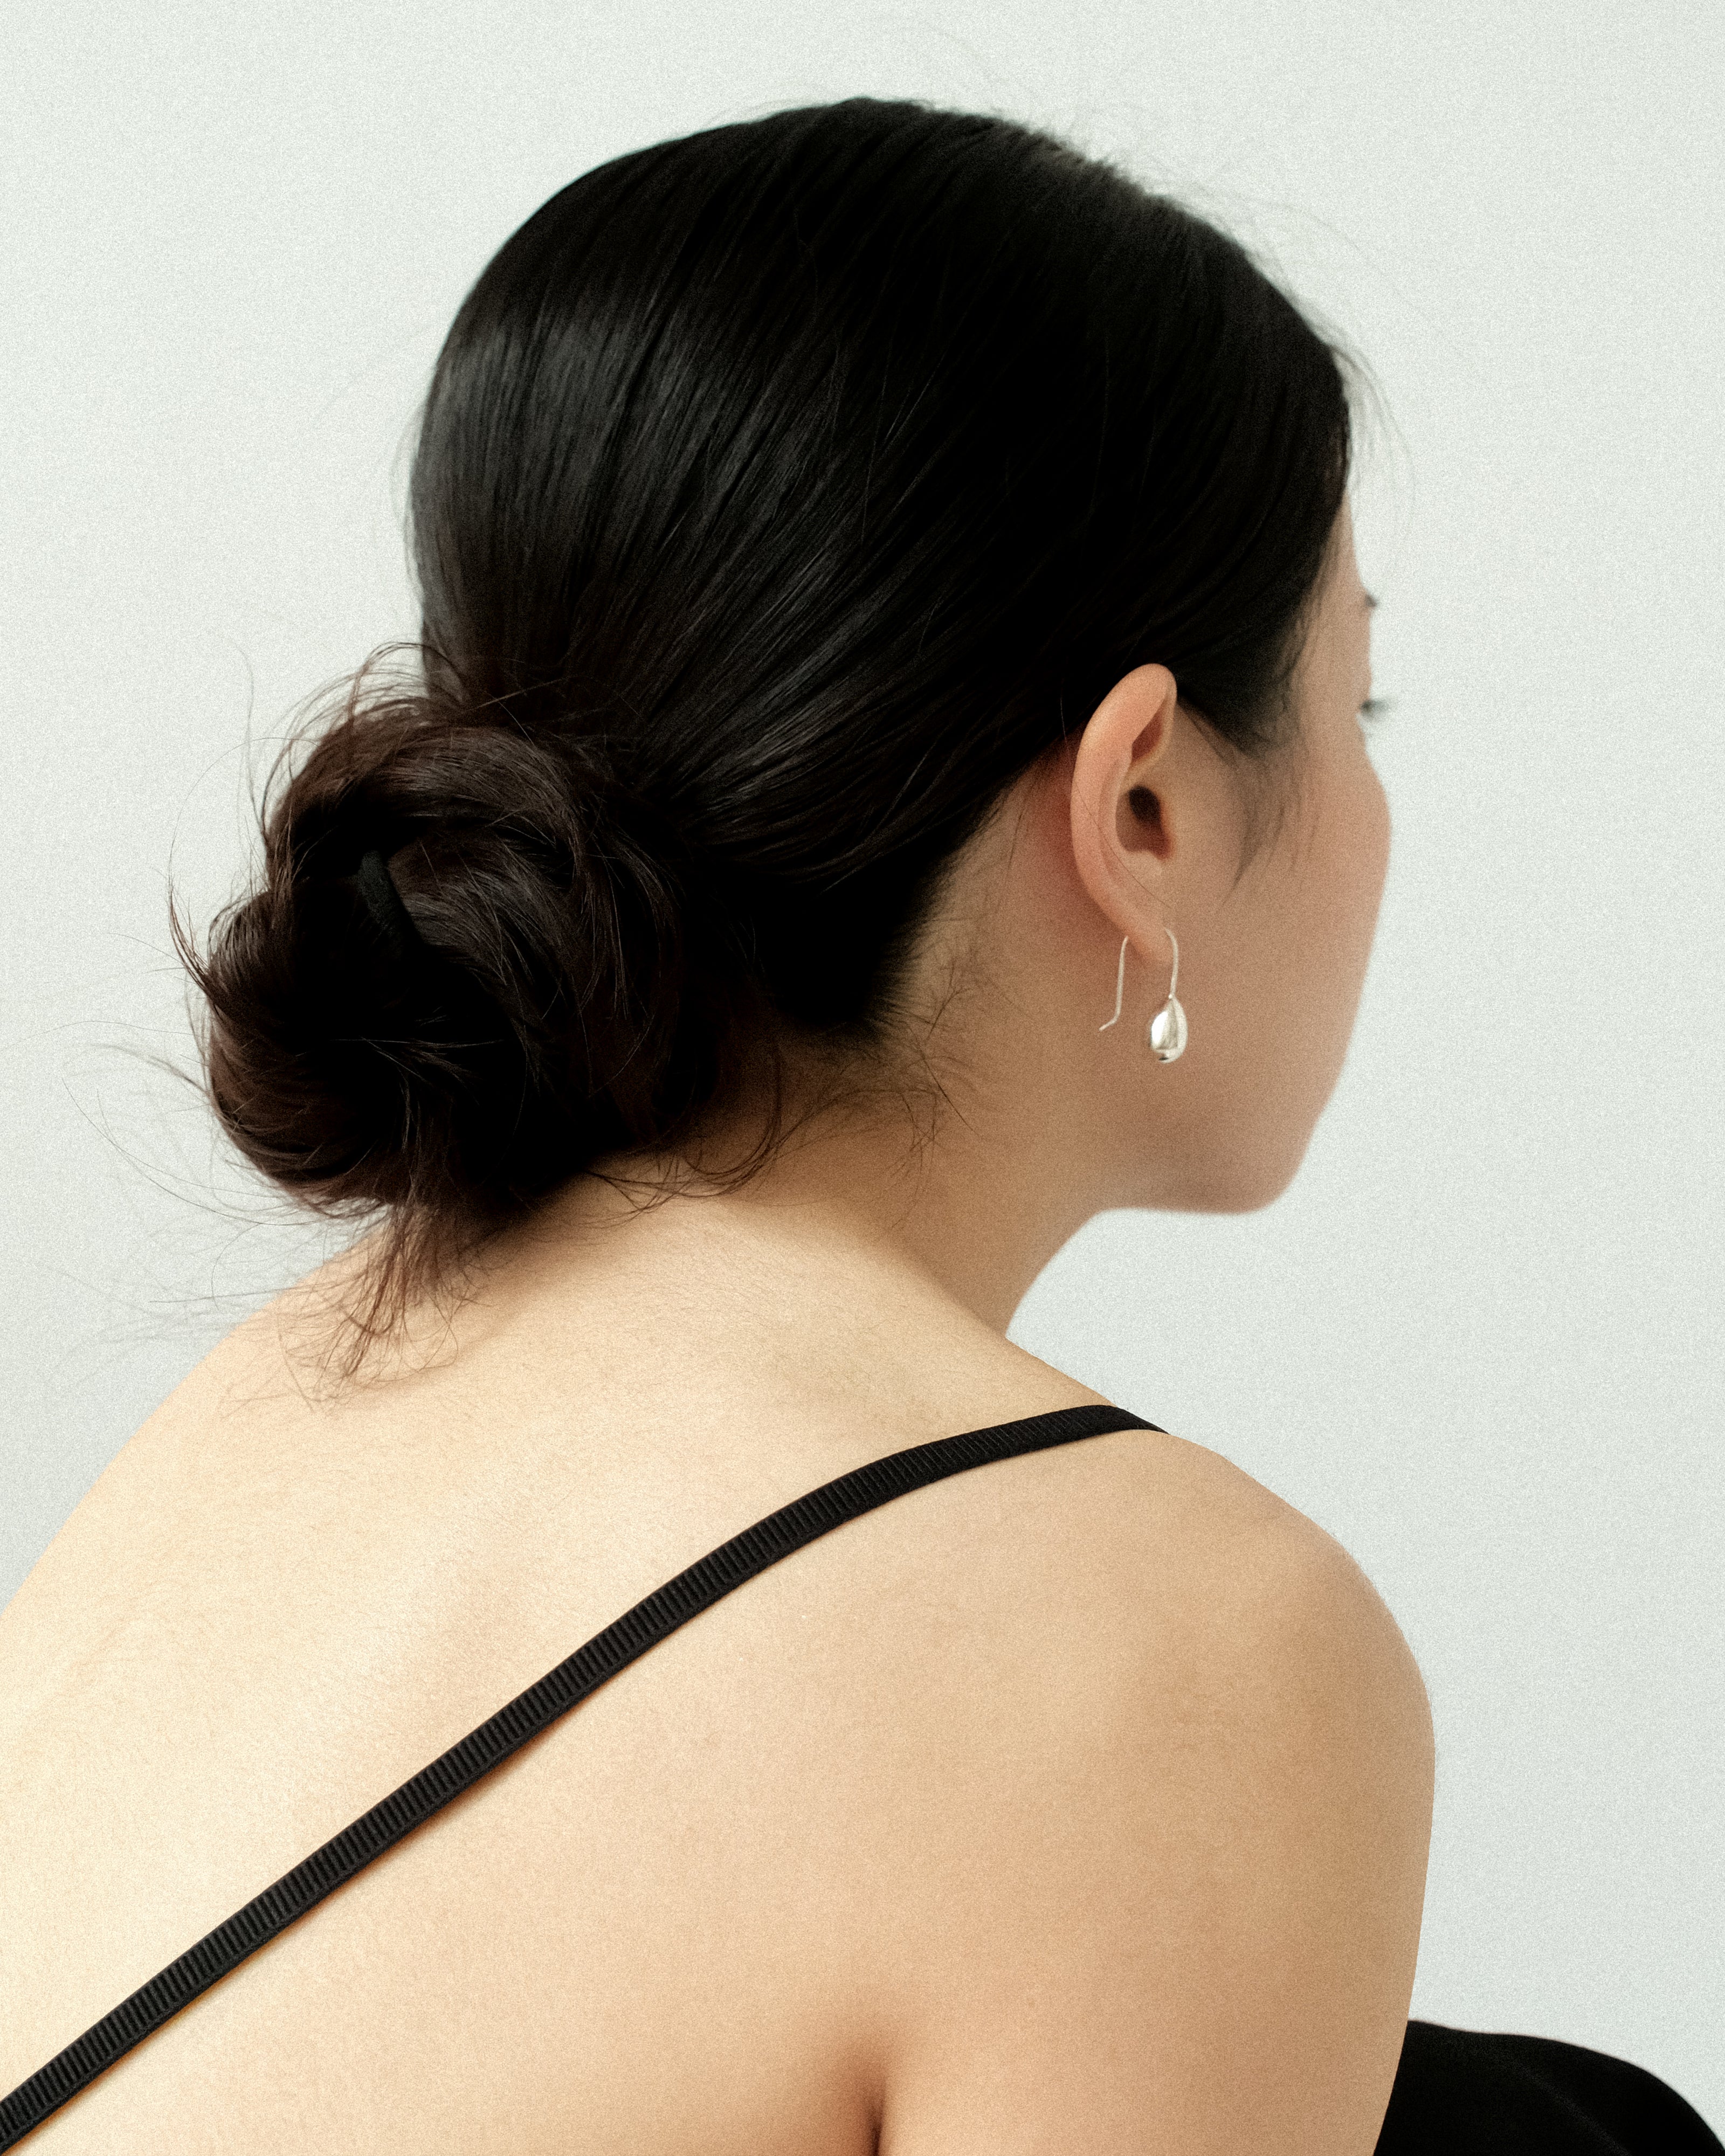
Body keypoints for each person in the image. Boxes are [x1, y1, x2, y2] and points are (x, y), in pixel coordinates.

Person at [0, 95, 1716, 2156]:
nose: (1372, 807)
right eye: (1360, 705)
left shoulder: (277, 1412)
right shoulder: (1170, 1643)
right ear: (1142, 801)